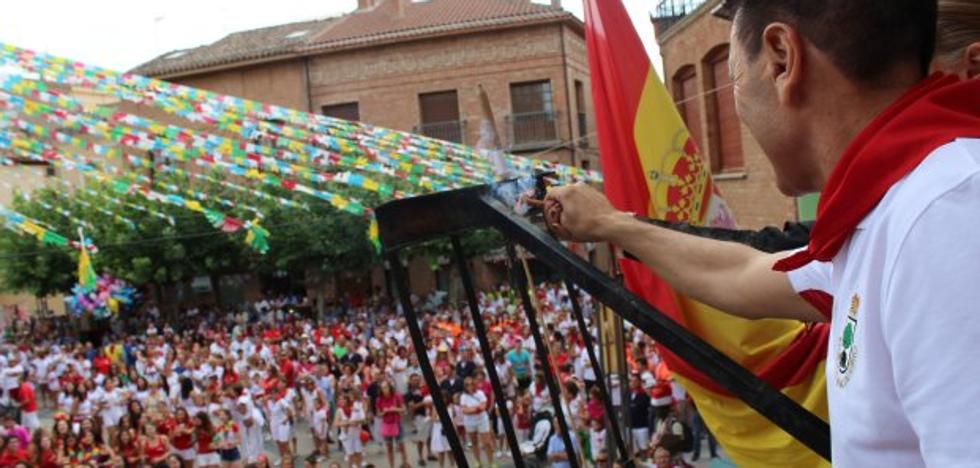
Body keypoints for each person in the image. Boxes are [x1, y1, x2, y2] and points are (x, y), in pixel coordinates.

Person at [460, 377, 494, 468]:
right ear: (464, 386)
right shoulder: (463, 396)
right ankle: (478, 462)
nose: (469, 386)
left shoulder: (480, 393)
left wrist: (470, 409)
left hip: (482, 420)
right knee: (474, 443)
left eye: (471, 384)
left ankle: (491, 463)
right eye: (467, 384)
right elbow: (464, 410)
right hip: (469, 422)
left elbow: (483, 407)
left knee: (487, 442)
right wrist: (476, 409)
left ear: (474, 384)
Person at [375, 380, 408, 468]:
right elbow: (378, 414)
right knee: (389, 447)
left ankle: (405, 465)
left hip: (397, 423)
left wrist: (395, 409)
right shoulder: (379, 399)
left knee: (401, 446)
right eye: (382, 388)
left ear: (390, 387)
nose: (384, 390)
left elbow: (404, 409)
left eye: (385, 387)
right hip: (386, 424)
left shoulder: (397, 395)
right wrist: (384, 412)